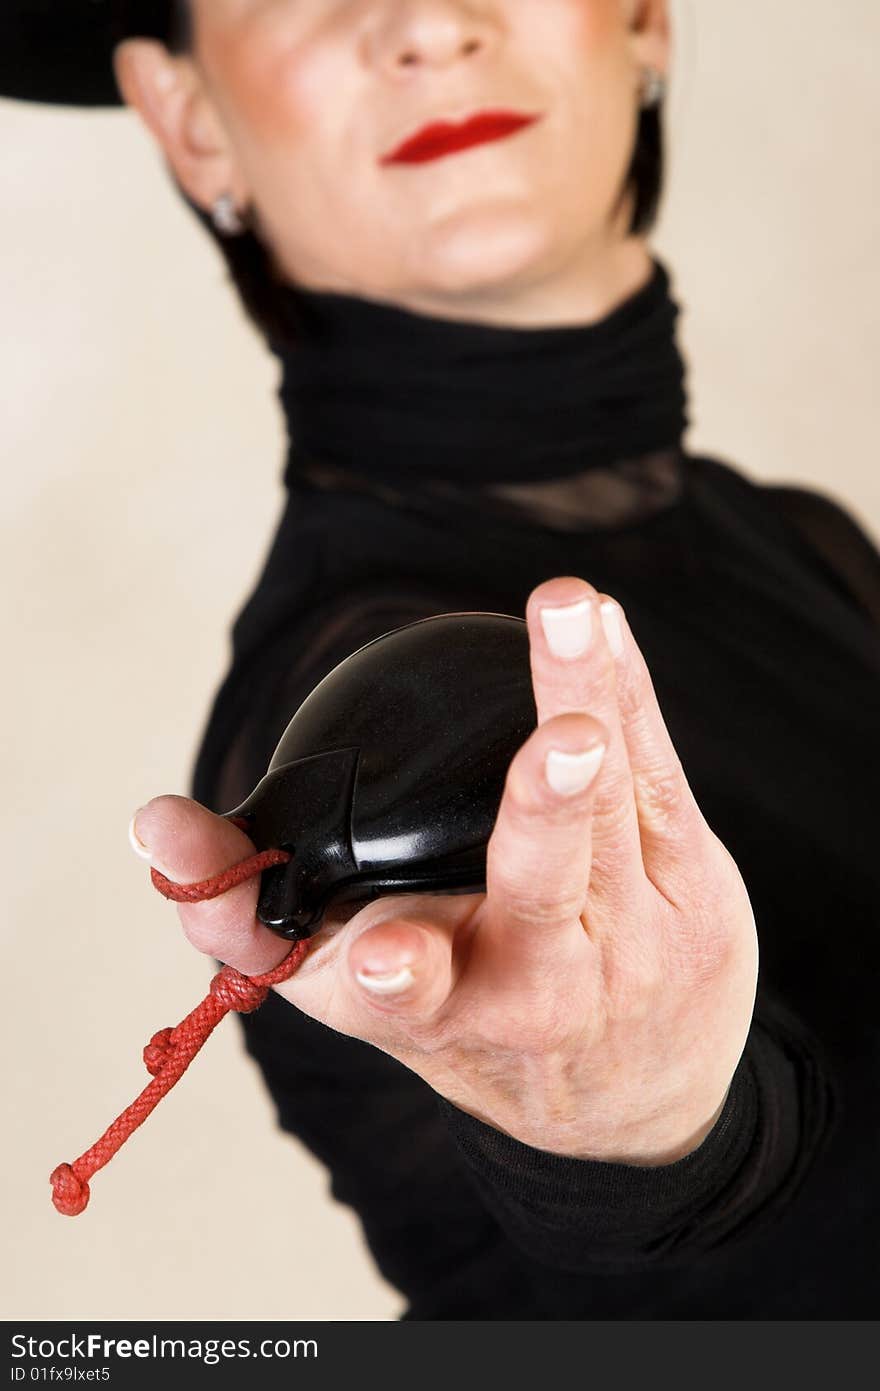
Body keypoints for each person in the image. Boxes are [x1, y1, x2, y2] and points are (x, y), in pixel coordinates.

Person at [6, 1, 878, 1319]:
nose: (423, 22)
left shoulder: (806, 540)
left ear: (642, 18)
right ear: (190, 122)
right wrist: (646, 1140)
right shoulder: (365, 699)